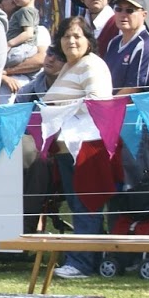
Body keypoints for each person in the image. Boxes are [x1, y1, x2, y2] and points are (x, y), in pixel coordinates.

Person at [44, 16, 114, 279]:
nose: (71, 41)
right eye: (65, 36)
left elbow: (98, 103)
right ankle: (82, 257)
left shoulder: (91, 65)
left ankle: (82, 263)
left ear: (88, 40)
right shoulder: (69, 67)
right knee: (77, 204)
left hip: (85, 146)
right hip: (65, 148)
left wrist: (59, 111)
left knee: (86, 203)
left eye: (77, 36)